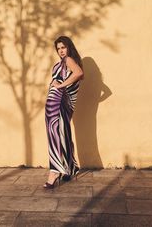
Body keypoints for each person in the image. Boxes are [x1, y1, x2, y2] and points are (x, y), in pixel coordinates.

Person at [44, 36, 83, 189]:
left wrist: (61, 87)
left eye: (63, 47)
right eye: (58, 48)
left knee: (55, 136)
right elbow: (79, 75)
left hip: (59, 104)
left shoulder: (69, 60)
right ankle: (68, 169)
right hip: (55, 104)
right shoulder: (63, 63)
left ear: (69, 47)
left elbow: (79, 73)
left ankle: (54, 172)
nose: (61, 51)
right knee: (63, 134)